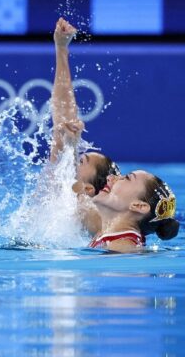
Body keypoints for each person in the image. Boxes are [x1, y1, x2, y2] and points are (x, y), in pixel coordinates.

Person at [48, 17, 121, 234]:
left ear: (89, 189)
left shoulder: (88, 215)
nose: (76, 154)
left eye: (82, 160)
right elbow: (63, 119)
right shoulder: (55, 197)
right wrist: (61, 49)